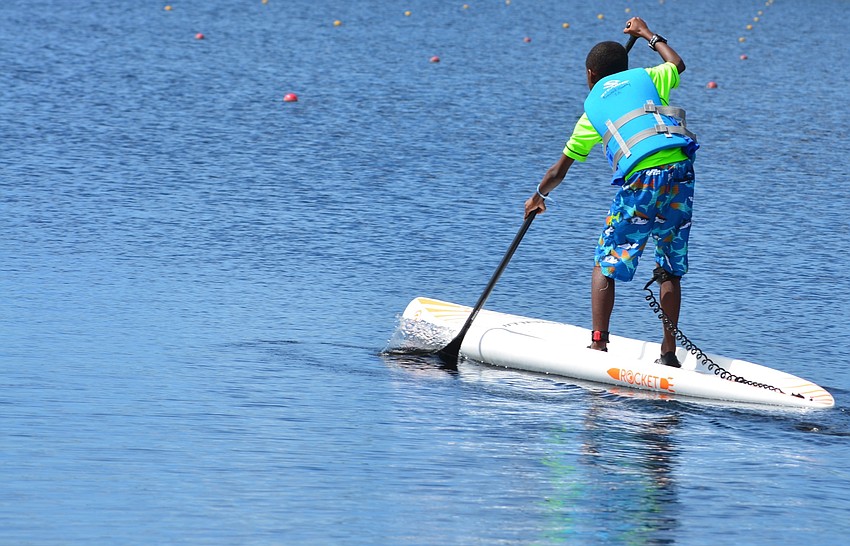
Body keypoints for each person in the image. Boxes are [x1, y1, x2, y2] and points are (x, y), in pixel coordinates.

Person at [524, 17, 698, 368]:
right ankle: (668, 353)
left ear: (590, 75)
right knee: (668, 265)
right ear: (626, 68)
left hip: (642, 179)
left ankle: (599, 346)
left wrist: (538, 196)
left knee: (607, 261)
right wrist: (646, 33)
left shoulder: (591, 112)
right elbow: (676, 63)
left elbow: (559, 169)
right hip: (681, 172)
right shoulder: (648, 77)